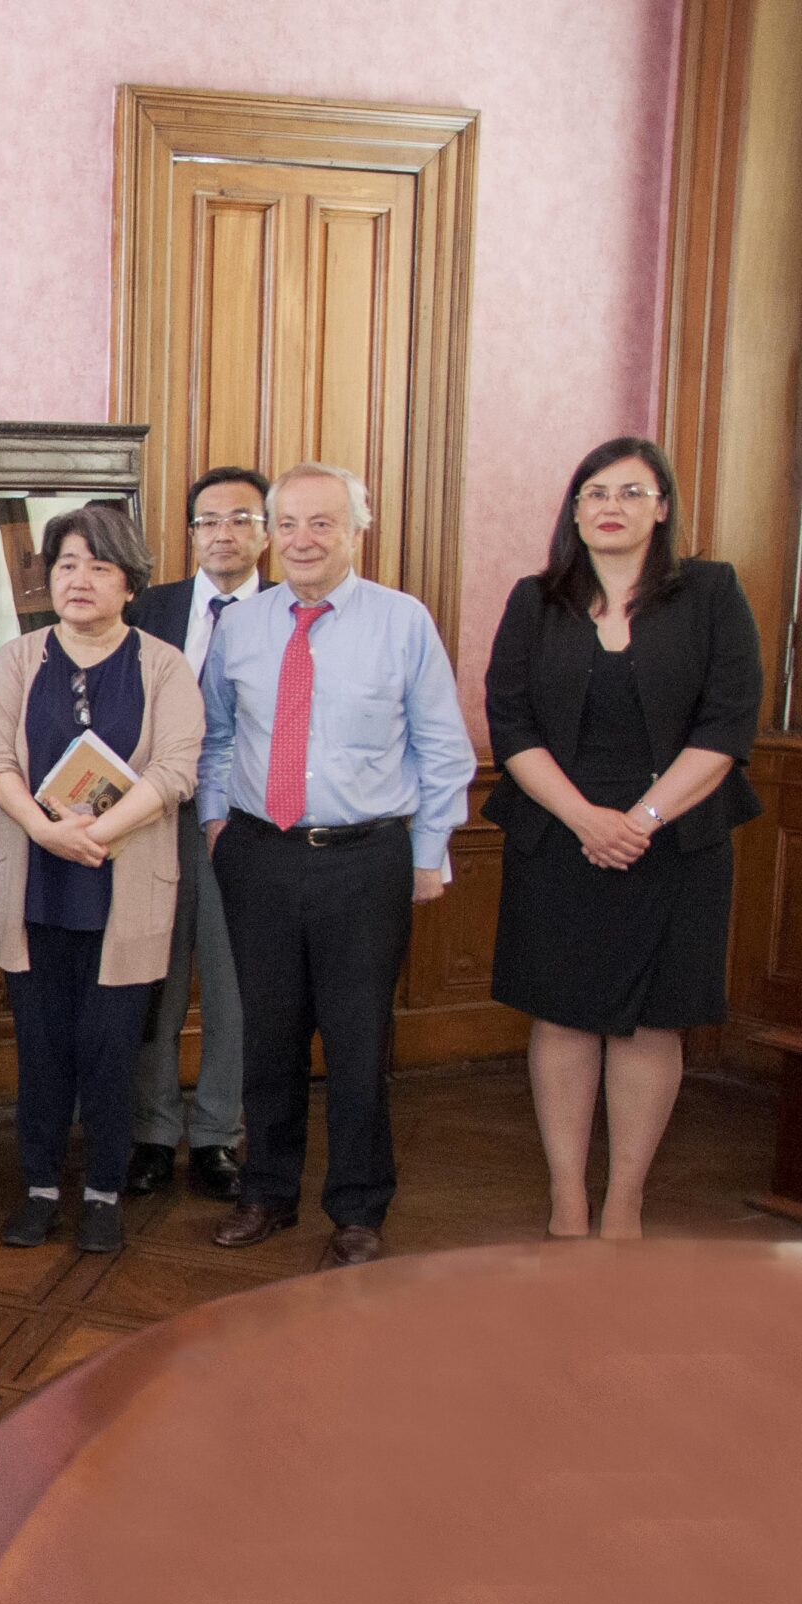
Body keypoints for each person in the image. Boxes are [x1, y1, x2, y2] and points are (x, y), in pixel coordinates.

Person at [197, 463, 476, 1265]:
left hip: (365, 859)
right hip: (259, 855)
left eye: (322, 523)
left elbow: (443, 747)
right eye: (288, 524)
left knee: (359, 1043)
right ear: (270, 534)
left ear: (357, 530)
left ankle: (357, 1207)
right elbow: (217, 735)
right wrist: (216, 824)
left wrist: (429, 852)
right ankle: (266, 1192)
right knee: (267, 1037)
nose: (303, 540)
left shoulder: (402, 621)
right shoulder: (242, 626)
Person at [484, 437, 761, 1240]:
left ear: (662, 507)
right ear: (575, 511)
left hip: (677, 840)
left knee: (653, 1019)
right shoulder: (535, 601)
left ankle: (625, 1199)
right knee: (562, 1015)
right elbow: (512, 724)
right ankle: (568, 1194)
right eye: (595, 493)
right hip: (558, 836)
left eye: (632, 492)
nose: (611, 506)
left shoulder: (712, 592)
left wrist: (639, 822)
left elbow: (726, 725)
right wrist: (585, 818)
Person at [0, 507, 203, 1252]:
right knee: (41, 1050)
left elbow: (174, 771)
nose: (79, 580)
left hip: (121, 885)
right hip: (35, 883)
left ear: (130, 584)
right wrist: (45, 831)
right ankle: (40, 1187)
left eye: (100, 567)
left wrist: (95, 833)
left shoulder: (164, 666)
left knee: (111, 1052)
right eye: (67, 564)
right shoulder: (17, 660)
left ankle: (104, 1191)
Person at [121, 467, 268, 1200]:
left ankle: (216, 1134)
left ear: (265, 533)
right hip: (150, 819)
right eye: (209, 521)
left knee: (232, 984)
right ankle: (151, 1132)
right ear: (190, 533)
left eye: (242, 519)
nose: (223, 534)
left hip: (244, 825)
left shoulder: (287, 612)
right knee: (156, 977)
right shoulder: (151, 607)